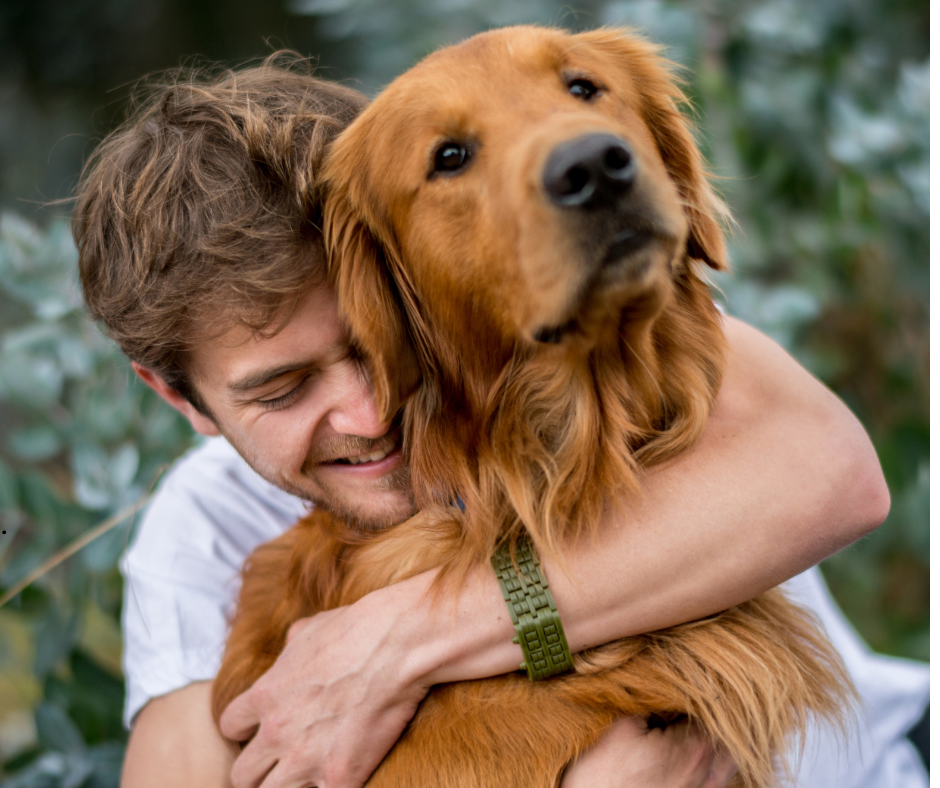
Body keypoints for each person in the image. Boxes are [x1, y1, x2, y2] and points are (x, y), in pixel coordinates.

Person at [71, 58, 927, 788]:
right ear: (180, 399)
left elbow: (835, 473)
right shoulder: (206, 532)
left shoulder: (587, 344)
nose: (373, 417)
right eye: (283, 390)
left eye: (382, 343)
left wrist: (405, 637)